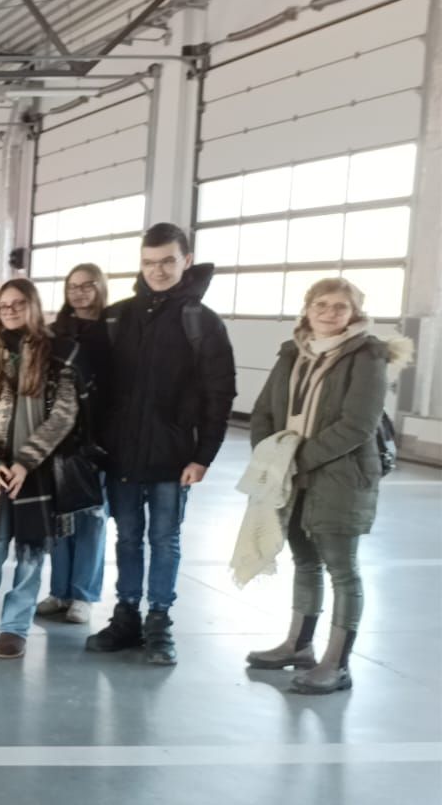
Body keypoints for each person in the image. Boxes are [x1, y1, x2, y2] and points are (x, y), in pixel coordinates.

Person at [245, 278, 412, 694]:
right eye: (321, 304)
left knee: (342, 569)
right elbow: (263, 411)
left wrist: (296, 460)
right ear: (307, 308)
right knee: (304, 561)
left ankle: (337, 664)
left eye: (341, 306)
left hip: (341, 477)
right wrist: (269, 455)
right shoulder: (292, 352)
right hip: (291, 475)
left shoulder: (368, 355)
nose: (329, 313)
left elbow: (358, 425)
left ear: (354, 313)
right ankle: (299, 646)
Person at [88, 222, 236, 666]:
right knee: (127, 538)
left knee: (165, 539)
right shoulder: (117, 317)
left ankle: (159, 621)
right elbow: (94, 387)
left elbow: (219, 394)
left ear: (186, 261)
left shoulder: (202, 323)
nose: (158, 270)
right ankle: (126, 615)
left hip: (173, 458)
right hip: (121, 454)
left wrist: (203, 455)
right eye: (149, 262)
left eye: (168, 261)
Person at [0, 280, 81, 660]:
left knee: (31, 554)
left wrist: (26, 460)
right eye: (4, 305)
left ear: (33, 306)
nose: (10, 310)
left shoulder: (58, 353)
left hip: (37, 470)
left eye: (18, 304)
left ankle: (15, 627)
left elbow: (64, 414)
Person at [36, 262, 112, 625]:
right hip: (59, 437)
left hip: (97, 437)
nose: (79, 292)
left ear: (100, 287)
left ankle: (83, 594)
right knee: (60, 517)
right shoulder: (57, 333)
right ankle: (60, 590)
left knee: (91, 517)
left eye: (87, 285)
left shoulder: (113, 332)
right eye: (73, 286)